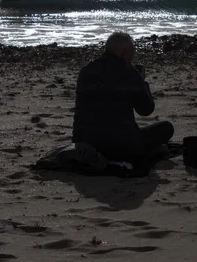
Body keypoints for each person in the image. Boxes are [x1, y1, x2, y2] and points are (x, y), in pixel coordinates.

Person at [72, 31, 174, 163]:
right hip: (121, 145)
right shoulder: (130, 73)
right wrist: (142, 82)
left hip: (85, 144)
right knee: (166, 128)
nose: (132, 58)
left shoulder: (86, 70)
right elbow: (146, 109)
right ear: (125, 52)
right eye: (132, 53)